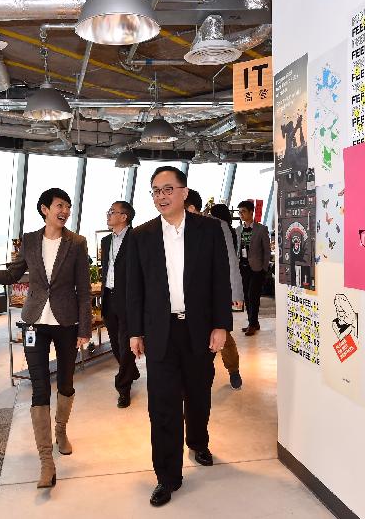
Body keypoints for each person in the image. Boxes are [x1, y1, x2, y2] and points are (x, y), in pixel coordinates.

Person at [0, 188, 91, 488]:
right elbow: (12, 275)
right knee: (40, 389)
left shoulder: (77, 243)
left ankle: (61, 430)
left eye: (68, 206)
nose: (65, 210)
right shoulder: (29, 240)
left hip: (66, 322)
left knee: (66, 383)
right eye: (59, 205)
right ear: (45, 209)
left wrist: (85, 329)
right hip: (33, 323)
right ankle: (46, 461)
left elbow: (83, 288)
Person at [127, 167, 232, 507]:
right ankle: (167, 476)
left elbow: (220, 279)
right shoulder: (140, 235)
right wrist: (135, 332)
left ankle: (198, 441)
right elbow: (135, 289)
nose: (161, 196)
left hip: (198, 328)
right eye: (155, 191)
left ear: (184, 192)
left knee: (199, 392)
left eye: (168, 189)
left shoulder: (209, 230)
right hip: (160, 332)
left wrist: (221, 325)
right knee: (163, 405)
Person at [185, 193, 245, 390]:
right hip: (187, 298)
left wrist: (236, 292)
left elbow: (230, 260)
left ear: (191, 208)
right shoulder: (174, 227)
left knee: (223, 335)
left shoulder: (217, 226)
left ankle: (233, 369)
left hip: (213, 293)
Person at [100, 200, 140, 408]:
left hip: (129, 300)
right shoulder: (106, 241)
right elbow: (106, 269)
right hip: (109, 297)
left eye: (112, 211)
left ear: (124, 217)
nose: (108, 215)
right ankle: (131, 371)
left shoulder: (137, 238)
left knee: (125, 345)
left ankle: (123, 387)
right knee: (116, 344)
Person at [236, 200, 271, 336]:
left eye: (243, 211)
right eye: (239, 212)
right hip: (243, 267)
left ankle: (252, 323)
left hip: (257, 269)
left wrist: (264, 268)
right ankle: (253, 322)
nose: (241, 214)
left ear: (251, 212)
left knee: (253, 295)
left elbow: (267, 251)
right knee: (246, 295)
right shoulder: (238, 230)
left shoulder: (261, 229)